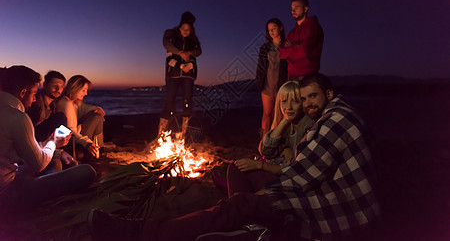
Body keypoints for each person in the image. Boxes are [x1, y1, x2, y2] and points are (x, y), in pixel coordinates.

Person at [88, 73, 380, 241]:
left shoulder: (334, 121)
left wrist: (261, 192)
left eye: (311, 97)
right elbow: (279, 156)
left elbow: (301, 175)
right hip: (322, 191)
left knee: (237, 205)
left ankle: (141, 232)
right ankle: (246, 223)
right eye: (301, 99)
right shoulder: (334, 114)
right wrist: (274, 136)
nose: (305, 104)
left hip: (332, 210)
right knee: (236, 175)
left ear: (328, 94)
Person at [0, 66, 96, 219]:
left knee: (51, 161)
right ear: (23, 93)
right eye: (32, 94)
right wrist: (53, 142)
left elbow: (21, 151)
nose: (33, 98)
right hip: (6, 193)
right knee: (87, 171)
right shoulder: (18, 117)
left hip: (12, 173)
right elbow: (38, 164)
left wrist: (58, 151)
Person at [227, 80, 314, 197]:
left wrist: (261, 165)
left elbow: (297, 170)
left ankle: (240, 205)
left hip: (291, 183)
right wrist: (284, 121)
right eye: (284, 102)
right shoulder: (288, 125)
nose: (289, 106)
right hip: (279, 173)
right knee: (235, 168)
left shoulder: (308, 127)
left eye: (295, 101)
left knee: (242, 193)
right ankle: (240, 205)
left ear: (303, 103)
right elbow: (265, 150)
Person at [158, 11, 202, 139]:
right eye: (184, 28)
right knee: (169, 103)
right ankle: (160, 134)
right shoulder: (170, 34)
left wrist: (189, 55)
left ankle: (183, 134)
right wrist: (180, 53)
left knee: (187, 103)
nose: (186, 31)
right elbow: (166, 45)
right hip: (173, 74)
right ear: (180, 26)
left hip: (188, 76)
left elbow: (198, 51)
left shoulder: (193, 39)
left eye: (188, 29)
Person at [27, 70, 76, 173]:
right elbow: (31, 132)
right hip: (35, 141)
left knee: (66, 129)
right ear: (45, 85)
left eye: (62, 87)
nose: (58, 89)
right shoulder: (37, 103)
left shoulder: (53, 104)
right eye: (55, 85)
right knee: (60, 117)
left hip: (46, 140)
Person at [55, 75, 105, 162]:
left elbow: (84, 108)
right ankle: (98, 149)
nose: (85, 93)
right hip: (71, 143)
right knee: (97, 118)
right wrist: (86, 143)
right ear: (75, 88)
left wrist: (97, 109)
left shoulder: (73, 102)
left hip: (74, 139)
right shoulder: (66, 104)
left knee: (97, 115)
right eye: (83, 90)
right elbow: (70, 131)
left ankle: (98, 149)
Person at [256, 18, 288, 137]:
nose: (271, 32)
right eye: (269, 30)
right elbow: (260, 67)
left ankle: (275, 140)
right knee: (266, 114)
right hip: (267, 85)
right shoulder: (265, 48)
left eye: (273, 28)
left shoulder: (286, 46)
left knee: (279, 115)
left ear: (280, 28)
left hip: (281, 85)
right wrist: (259, 82)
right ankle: (264, 142)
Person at [279, 0, 324, 80]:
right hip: (291, 76)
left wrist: (289, 49)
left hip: (308, 76)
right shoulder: (292, 33)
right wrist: (296, 47)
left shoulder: (314, 27)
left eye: (297, 7)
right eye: (292, 8)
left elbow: (305, 50)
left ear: (305, 9)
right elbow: (281, 53)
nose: (293, 11)